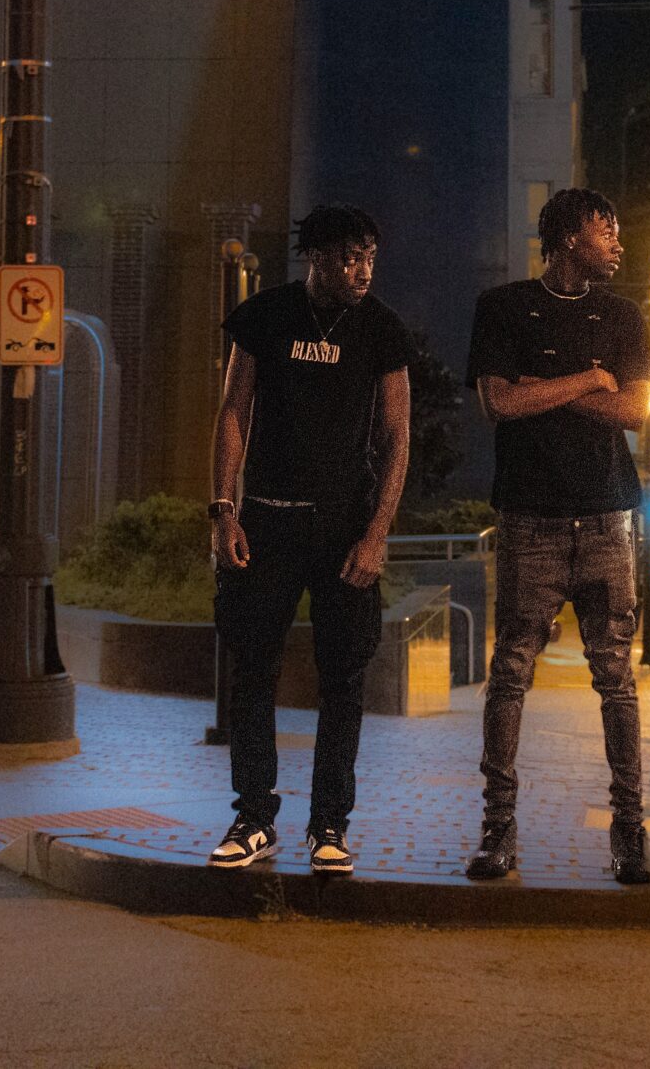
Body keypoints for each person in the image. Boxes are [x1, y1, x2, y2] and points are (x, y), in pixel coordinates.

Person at [205, 205, 411, 874]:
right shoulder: (266, 315)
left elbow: (397, 435)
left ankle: (329, 825)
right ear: (315, 258)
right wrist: (223, 509)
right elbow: (234, 408)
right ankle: (255, 816)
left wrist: (377, 532)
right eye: (350, 257)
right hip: (264, 520)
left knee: (344, 677)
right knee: (251, 667)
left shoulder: (380, 329)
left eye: (370, 258)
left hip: (344, 529)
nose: (362, 270)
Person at [462, 188, 650, 886]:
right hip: (529, 520)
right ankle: (497, 832)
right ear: (570, 237)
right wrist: (589, 377)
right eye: (606, 228)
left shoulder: (623, 314)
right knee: (510, 672)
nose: (617, 241)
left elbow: (634, 410)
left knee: (617, 678)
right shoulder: (505, 307)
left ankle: (631, 834)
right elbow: (500, 401)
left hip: (608, 518)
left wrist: (549, 387)